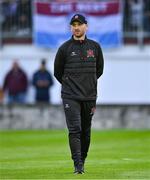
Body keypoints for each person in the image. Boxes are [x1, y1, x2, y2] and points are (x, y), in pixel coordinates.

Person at [54, 14, 104, 174]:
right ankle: (78, 165)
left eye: (79, 24)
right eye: (73, 25)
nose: (76, 27)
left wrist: (87, 83)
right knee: (75, 130)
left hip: (89, 96)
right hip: (70, 96)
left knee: (86, 132)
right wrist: (71, 86)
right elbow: (57, 72)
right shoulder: (64, 49)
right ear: (71, 28)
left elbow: (99, 70)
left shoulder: (95, 47)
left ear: (86, 26)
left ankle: (82, 159)